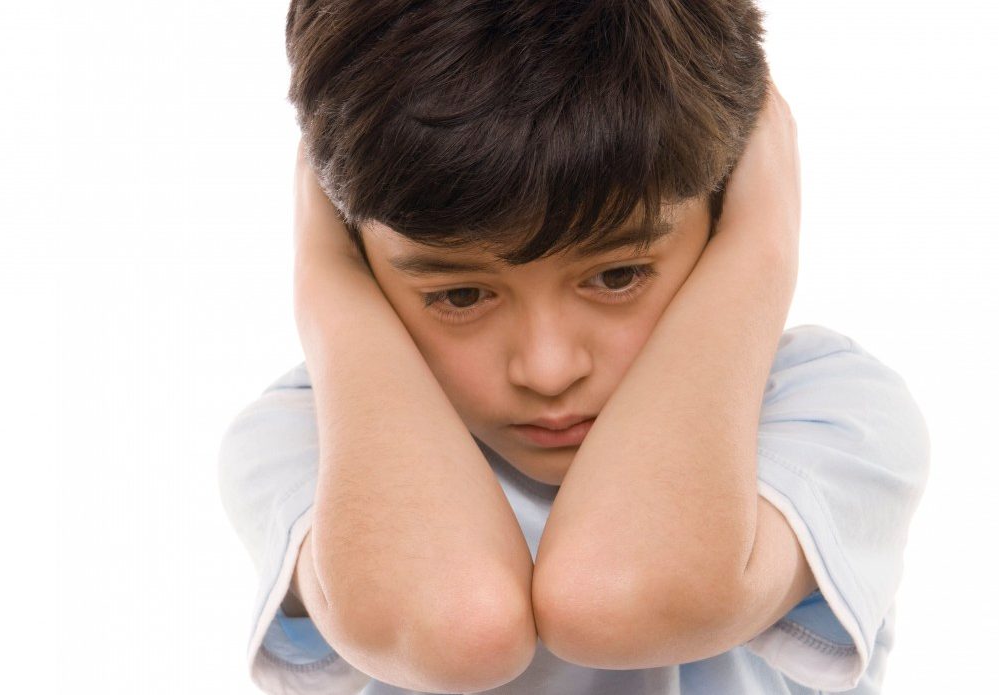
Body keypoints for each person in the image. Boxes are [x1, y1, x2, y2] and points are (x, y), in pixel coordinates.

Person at [218, 2, 931, 693]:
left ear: (728, 210)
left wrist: (761, 249)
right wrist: (326, 287)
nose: (549, 368)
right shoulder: (306, 437)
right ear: (355, 254)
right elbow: (458, 626)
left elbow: (616, 597)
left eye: (618, 275)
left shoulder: (832, 410)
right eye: (460, 295)